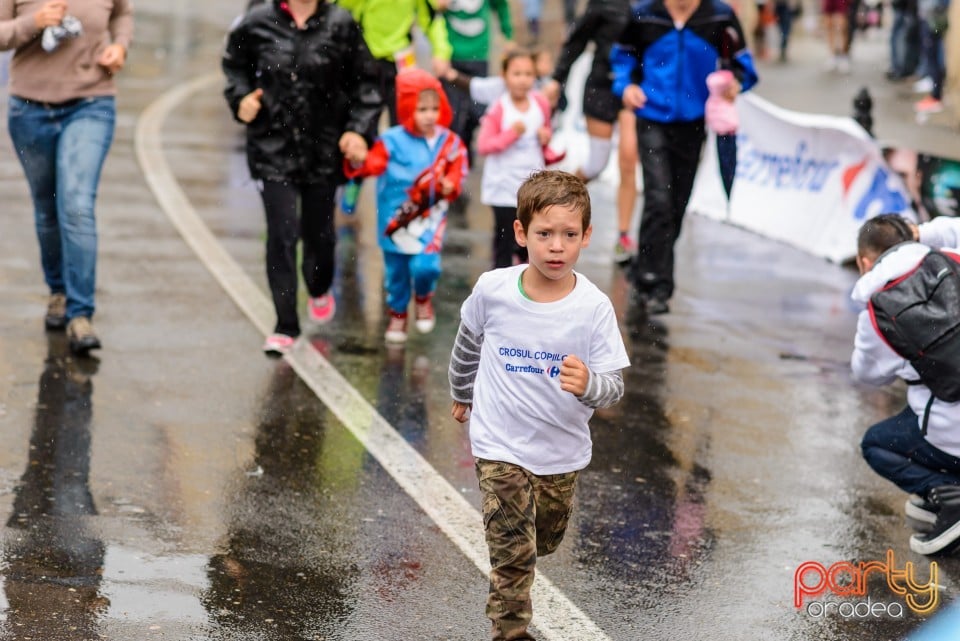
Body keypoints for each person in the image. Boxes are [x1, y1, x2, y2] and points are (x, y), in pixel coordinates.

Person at [448, 170, 630, 641]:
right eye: (544, 234)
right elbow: (468, 343)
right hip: (498, 444)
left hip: (559, 451)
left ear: (586, 237)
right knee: (513, 551)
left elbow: (613, 387)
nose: (556, 246)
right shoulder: (494, 290)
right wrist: (462, 392)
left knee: (542, 540)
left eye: (569, 235)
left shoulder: (593, 307)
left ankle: (531, 546)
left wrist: (589, 383)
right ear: (521, 232)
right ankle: (510, 631)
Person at [222, 0, 382, 355]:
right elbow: (235, 66)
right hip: (272, 147)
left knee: (319, 235)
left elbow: (367, 85)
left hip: (323, 149)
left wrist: (357, 131)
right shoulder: (258, 20)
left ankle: (320, 285)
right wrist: (241, 98)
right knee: (281, 232)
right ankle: (285, 325)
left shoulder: (340, 23)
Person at [0, 0, 133, 354]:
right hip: (29, 109)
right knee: (47, 208)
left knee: (75, 205)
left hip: (91, 104)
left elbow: (122, 13)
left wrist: (119, 45)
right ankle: (58, 290)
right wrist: (33, 22)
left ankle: (80, 313)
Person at [611, 0, 758, 315]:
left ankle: (644, 268)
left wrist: (735, 83)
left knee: (676, 204)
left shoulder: (719, 15)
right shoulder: (644, 14)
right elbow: (622, 57)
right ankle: (656, 284)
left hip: (693, 122)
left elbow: (743, 65)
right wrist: (626, 86)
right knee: (658, 199)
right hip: (651, 116)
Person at [852, 213, 960, 555]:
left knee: (877, 444)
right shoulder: (953, 259)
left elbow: (868, 376)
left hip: (953, 433)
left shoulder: (877, 308)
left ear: (863, 262)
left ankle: (951, 493)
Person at [346, 70, 468, 344]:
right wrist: (358, 159)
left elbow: (458, 167)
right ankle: (398, 314)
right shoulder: (391, 141)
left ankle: (424, 298)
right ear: (406, 108)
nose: (429, 115)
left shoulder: (449, 141)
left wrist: (451, 182)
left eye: (435, 108)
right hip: (394, 221)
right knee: (396, 275)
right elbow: (372, 165)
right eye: (422, 108)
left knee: (427, 267)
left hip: (429, 221)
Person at [541, 0, 639, 264]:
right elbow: (577, 40)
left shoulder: (655, 7)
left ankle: (623, 236)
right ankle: (552, 202)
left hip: (636, 91)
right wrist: (556, 79)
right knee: (596, 165)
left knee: (628, 160)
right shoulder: (604, 4)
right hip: (602, 87)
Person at [477, 49, 562, 269]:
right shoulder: (498, 108)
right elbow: (484, 145)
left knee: (531, 238)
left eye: (528, 74)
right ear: (504, 76)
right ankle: (501, 282)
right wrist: (510, 134)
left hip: (532, 184)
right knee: (505, 238)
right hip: (503, 185)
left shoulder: (540, 103)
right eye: (517, 74)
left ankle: (529, 281)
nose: (523, 80)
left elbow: (545, 130)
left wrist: (545, 136)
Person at [338, 0, 453, 135]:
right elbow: (337, 11)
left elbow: (432, 20)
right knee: (365, 122)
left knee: (405, 119)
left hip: (400, 61)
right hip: (367, 60)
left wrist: (441, 53)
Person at [441, 0, 513, 170]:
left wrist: (508, 34)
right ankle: (455, 165)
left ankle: (465, 144)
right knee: (452, 113)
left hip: (478, 56)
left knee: (478, 111)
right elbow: (426, 13)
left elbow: (501, 6)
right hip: (450, 57)